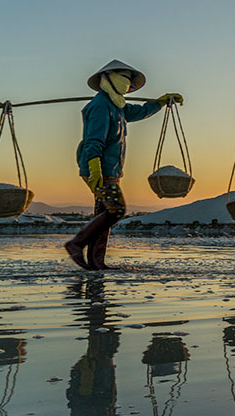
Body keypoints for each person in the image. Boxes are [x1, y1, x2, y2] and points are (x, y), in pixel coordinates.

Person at [66, 60, 182, 270]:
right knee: (116, 210)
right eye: (124, 79)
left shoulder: (116, 105)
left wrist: (161, 102)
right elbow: (94, 140)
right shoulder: (101, 106)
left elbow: (138, 112)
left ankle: (96, 262)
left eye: (129, 81)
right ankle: (76, 243)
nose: (128, 84)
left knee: (105, 211)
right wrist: (95, 169)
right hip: (99, 168)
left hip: (110, 169)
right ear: (108, 78)